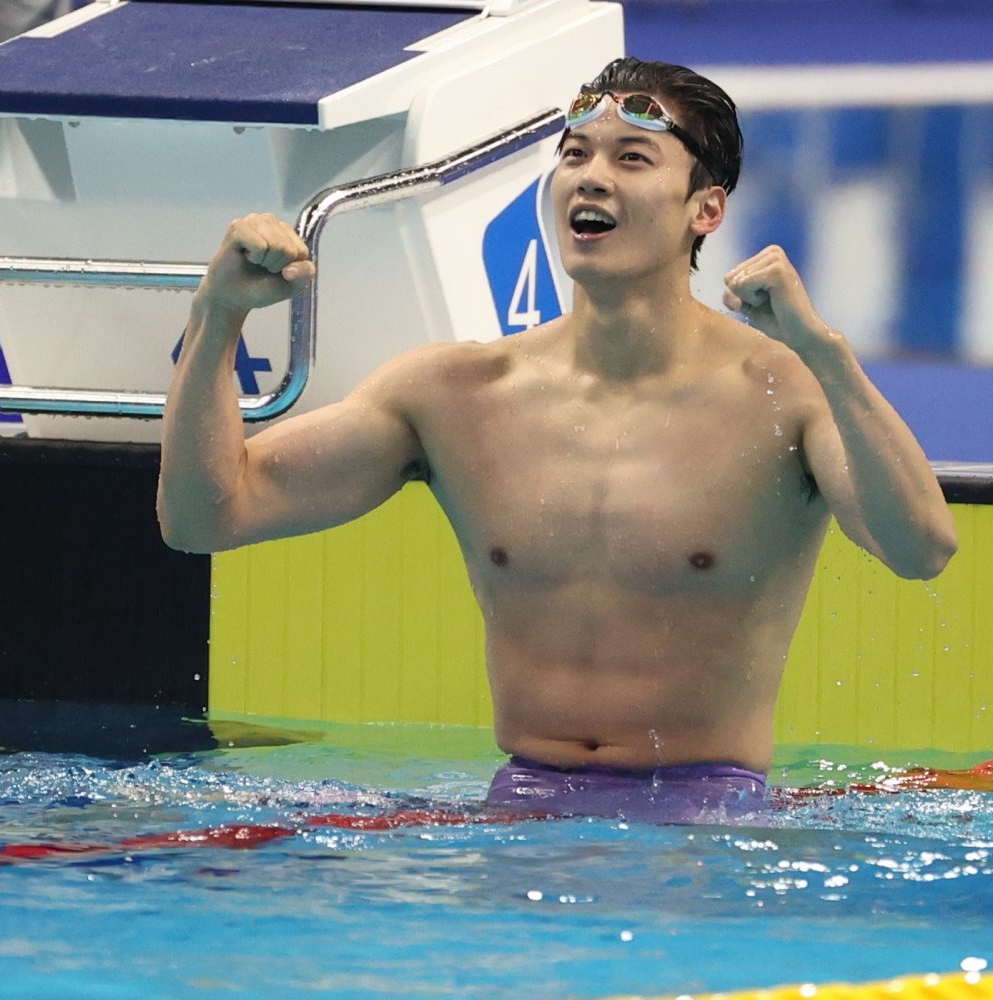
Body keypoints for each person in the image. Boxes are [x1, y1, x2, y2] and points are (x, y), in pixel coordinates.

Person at [158, 57, 957, 824]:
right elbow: (205, 518)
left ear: (705, 210)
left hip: (707, 826)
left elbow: (922, 547)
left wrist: (825, 352)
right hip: (519, 810)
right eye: (575, 154)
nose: (590, 176)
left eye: (632, 157)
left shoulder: (782, 394)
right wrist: (217, 315)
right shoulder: (456, 394)